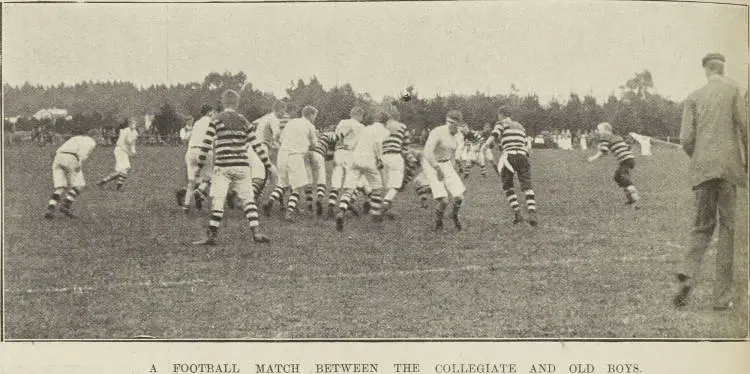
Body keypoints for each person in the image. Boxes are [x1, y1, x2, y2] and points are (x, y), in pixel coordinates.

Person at [673, 53, 748, 310]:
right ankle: (721, 298)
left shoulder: (693, 97)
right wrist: (745, 161)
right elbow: (745, 128)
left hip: (702, 171)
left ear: (705, 71)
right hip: (728, 170)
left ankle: (687, 272)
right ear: (723, 69)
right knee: (728, 230)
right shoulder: (734, 91)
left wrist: (700, 159)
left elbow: (685, 139)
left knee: (702, 226)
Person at [192, 90, 276, 245]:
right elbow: (256, 145)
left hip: (223, 166)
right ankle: (256, 232)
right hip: (242, 166)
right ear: (237, 103)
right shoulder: (244, 121)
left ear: (222, 103)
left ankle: (212, 235)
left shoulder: (216, 119)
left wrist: (199, 166)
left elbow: (206, 145)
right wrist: (268, 165)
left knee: (218, 199)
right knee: (248, 199)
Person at [482, 107, 538, 226]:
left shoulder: (501, 123)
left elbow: (495, 134)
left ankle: (517, 213)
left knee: (508, 186)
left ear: (501, 115)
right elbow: (526, 143)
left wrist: (485, 145)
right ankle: (532, 213)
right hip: (522, 156)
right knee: (527, 185)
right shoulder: (520, 126)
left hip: (509, 157)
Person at [335, 110, 390, 231]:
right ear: (386, 121)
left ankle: (341, 212)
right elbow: (377, 144)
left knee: (349, 189)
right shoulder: (385, 131)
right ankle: (375, 215)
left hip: (354, 158)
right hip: (369, 159)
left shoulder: (365, 128)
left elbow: (353, 143)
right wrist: (379, 159)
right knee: (377, 188)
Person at [264, 105, 318, 222]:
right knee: (297, 187)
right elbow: (314, 144)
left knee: (283, 183)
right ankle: (289, 213)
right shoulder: (310, 126)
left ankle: (270, 201)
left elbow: (281, 139)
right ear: (310, 115)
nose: (315, 118)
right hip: (295, 156)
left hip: (282, 154)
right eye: (315, 116)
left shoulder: (291, 122)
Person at [423, 110, 467, 231]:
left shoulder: (459, 135)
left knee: (459, 197)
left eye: (453, 123)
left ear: (459, 124)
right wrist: (437, 169)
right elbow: (427, 152)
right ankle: (438, 223)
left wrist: (457, 164)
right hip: (431, 164)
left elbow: (455, 152)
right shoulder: (438, 131)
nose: (450, 125)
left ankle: (454, 215)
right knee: (444, 201)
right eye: (448, 122)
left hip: (446, 163)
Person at [44, 127, 97, 219]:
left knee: (60, 187)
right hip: (71, 158)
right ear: (96, 135)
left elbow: (59, 149)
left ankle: (50, 209)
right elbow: (82, 154)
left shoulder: (76, 138)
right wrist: (79, 164)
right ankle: (65, 206)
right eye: (99, 137)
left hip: (58, 157)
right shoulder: (91, 141)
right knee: (79, 185)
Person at [588, 122, 640, 207]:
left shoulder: (605, 136)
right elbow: (627, 147)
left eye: (599, 129)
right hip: (629, 159)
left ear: (605, 130)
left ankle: (634, 195)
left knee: (621, 176)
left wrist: (594, 157)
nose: (598, 131)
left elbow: (603, 151)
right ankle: (631, 198)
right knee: (618, 177)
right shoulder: (617, 137)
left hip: (625, 160)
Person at [328, 106, 366, 217]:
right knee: (351, 182)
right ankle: (343, 207)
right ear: (358, 114)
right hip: (350, 153)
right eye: (362, 116)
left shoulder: (342, 122)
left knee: (336, 180)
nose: (362, 118)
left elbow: (336, 137)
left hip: (338, 152)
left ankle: (331, 205)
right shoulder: (360, 126)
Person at [177, 104, 215, 211]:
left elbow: (188, 136)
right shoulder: (212, 122)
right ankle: (199, 192)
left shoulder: (197, 123)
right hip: (204, 151)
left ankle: (186, 206)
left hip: (191, 152)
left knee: (191, 182)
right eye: (213, 112)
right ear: (209, 112)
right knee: (209, 178)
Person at [381, 109, 408, 216]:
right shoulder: (402, 126)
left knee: (386, 185)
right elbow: (406, 145)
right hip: (395, 156)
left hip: (383, 156)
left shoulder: (383, 126)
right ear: (398, 117)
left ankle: (387, 208)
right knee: (396, 185)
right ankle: (386, 203)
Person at [97, 119, 138, 190]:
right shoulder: (124, 131)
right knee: (125, 169)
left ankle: (103, 182)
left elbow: (132, 143)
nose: (133, 125)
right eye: (132, 123)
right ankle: (117, 187)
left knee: (121, 171)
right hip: (119, 150)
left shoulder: (135, 133)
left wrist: (133, 151)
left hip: (125, 151)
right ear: (129, 124)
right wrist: (128, 152)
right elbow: (120, 143)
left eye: (135, 124)